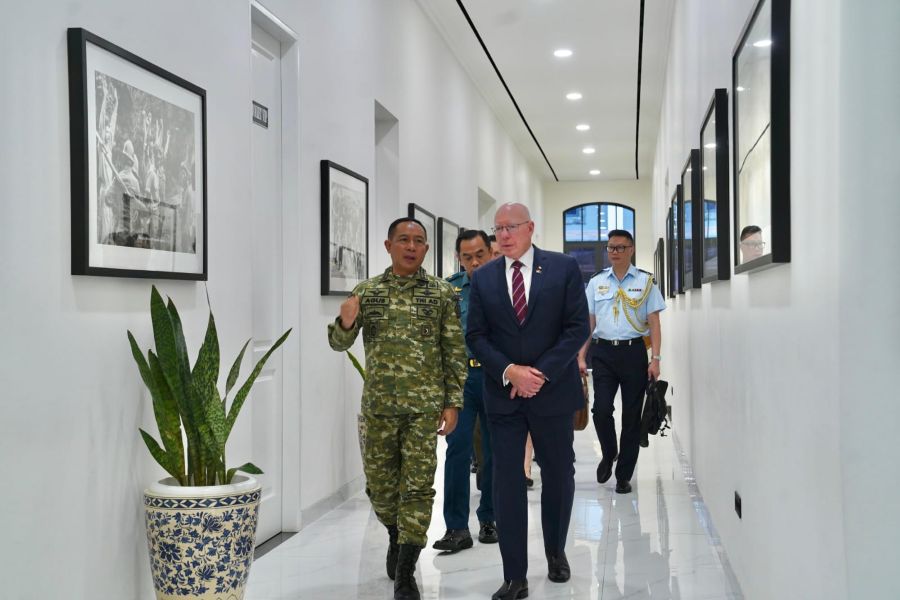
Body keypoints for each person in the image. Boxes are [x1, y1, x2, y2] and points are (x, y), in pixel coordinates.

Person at [328, 217, 467, 600]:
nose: (411, 246)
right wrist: (345, 320)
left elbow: (454, 351)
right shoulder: (367, 292)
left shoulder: (442, 294)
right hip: (379, 408)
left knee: (419, 487)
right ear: (388, 246)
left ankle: (406, 568)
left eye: (418, 241)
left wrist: (452, 402)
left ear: (426, 249)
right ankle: (395, 532)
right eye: (403, 239)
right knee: (381, 489)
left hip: (424, 409)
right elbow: (339, 344)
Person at [467, 203, 590, 600]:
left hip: (552, 392)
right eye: (498, 228)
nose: (503, 235)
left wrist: (537, 374)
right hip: (503, 395)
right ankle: (514, 575)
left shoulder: (563, 267)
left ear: (530, 228)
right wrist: (510, 372)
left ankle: (555, 552)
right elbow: (476, 336)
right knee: (506, 482)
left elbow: (575, 328)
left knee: (558, 474)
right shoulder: (483, 277)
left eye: (511, 227)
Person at [576, 229, 665, 495]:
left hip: (633, 353)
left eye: (620, 247)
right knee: (601, 410)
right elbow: (589, 323)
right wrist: (581, 354)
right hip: (603, 354)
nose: (614, 252)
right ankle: (608, 452)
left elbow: (655, 323)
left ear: (631, 249)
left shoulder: (646, 282)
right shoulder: (596, 282)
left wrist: (656, 359)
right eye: (610, 247)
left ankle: (624, 475)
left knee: (631, 417)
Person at [433, 229, 498, 554]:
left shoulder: (508, 286)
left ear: (491, 252)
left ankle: (490, 518)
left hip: (496, 379)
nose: (474, 262)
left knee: (493, 452)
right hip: (460, 381)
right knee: (457, 451)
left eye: (480, 255)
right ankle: (457, 527)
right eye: (467, 257)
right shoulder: (450, 289)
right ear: (459, 257)